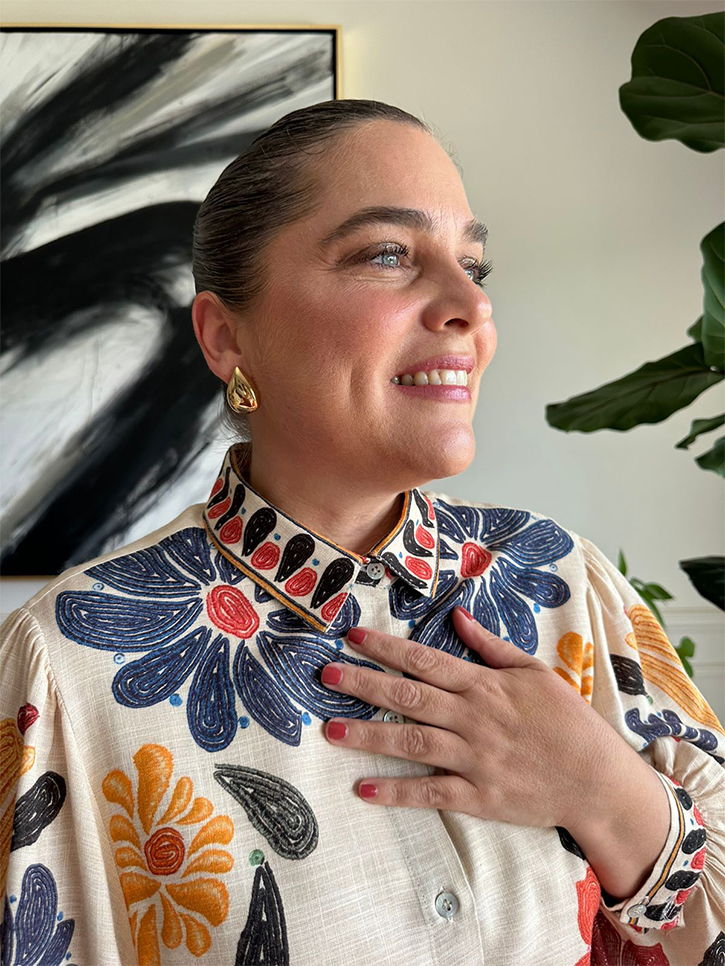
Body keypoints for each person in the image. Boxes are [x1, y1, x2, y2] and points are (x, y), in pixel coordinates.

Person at [1, 98, 722, 966]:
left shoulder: (564, 582)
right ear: (226, 337)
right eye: (387, 254)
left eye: (473, 265)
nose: (469, 304)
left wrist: (602, 790)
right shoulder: (68, 665)